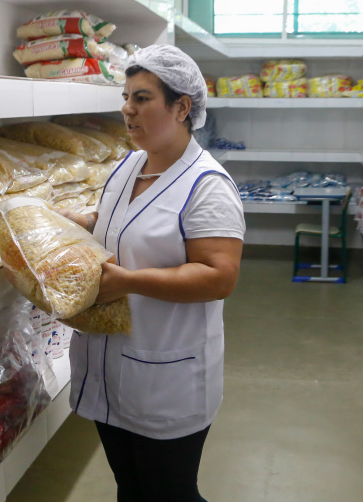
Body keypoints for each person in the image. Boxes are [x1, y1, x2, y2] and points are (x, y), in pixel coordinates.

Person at [58, 44, 245, 502]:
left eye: (142, 98)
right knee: (132, 489)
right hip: (109, 365)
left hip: (167, 375)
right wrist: (61, 224)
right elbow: (111, 221)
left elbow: (219, 276)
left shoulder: (207, 185)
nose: (127, 109)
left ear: (182, 107)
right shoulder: (128, 165)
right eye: (126, 97)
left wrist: (128, 282)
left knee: (170, 493)